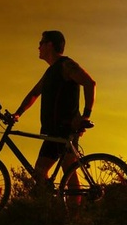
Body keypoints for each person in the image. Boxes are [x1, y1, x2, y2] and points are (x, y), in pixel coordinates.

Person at [12, 31, 96, 187]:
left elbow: (90, 83)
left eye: (41, 42)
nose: (38, 46)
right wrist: (17, 113)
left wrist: (85, 116)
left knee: (43, 170)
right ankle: (64, 208)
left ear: (50, 45)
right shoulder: (51, 72)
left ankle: (54, 206)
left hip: (64, 127)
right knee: (65, 171)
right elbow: (34, 93)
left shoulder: (66, 65)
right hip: (54, 129)